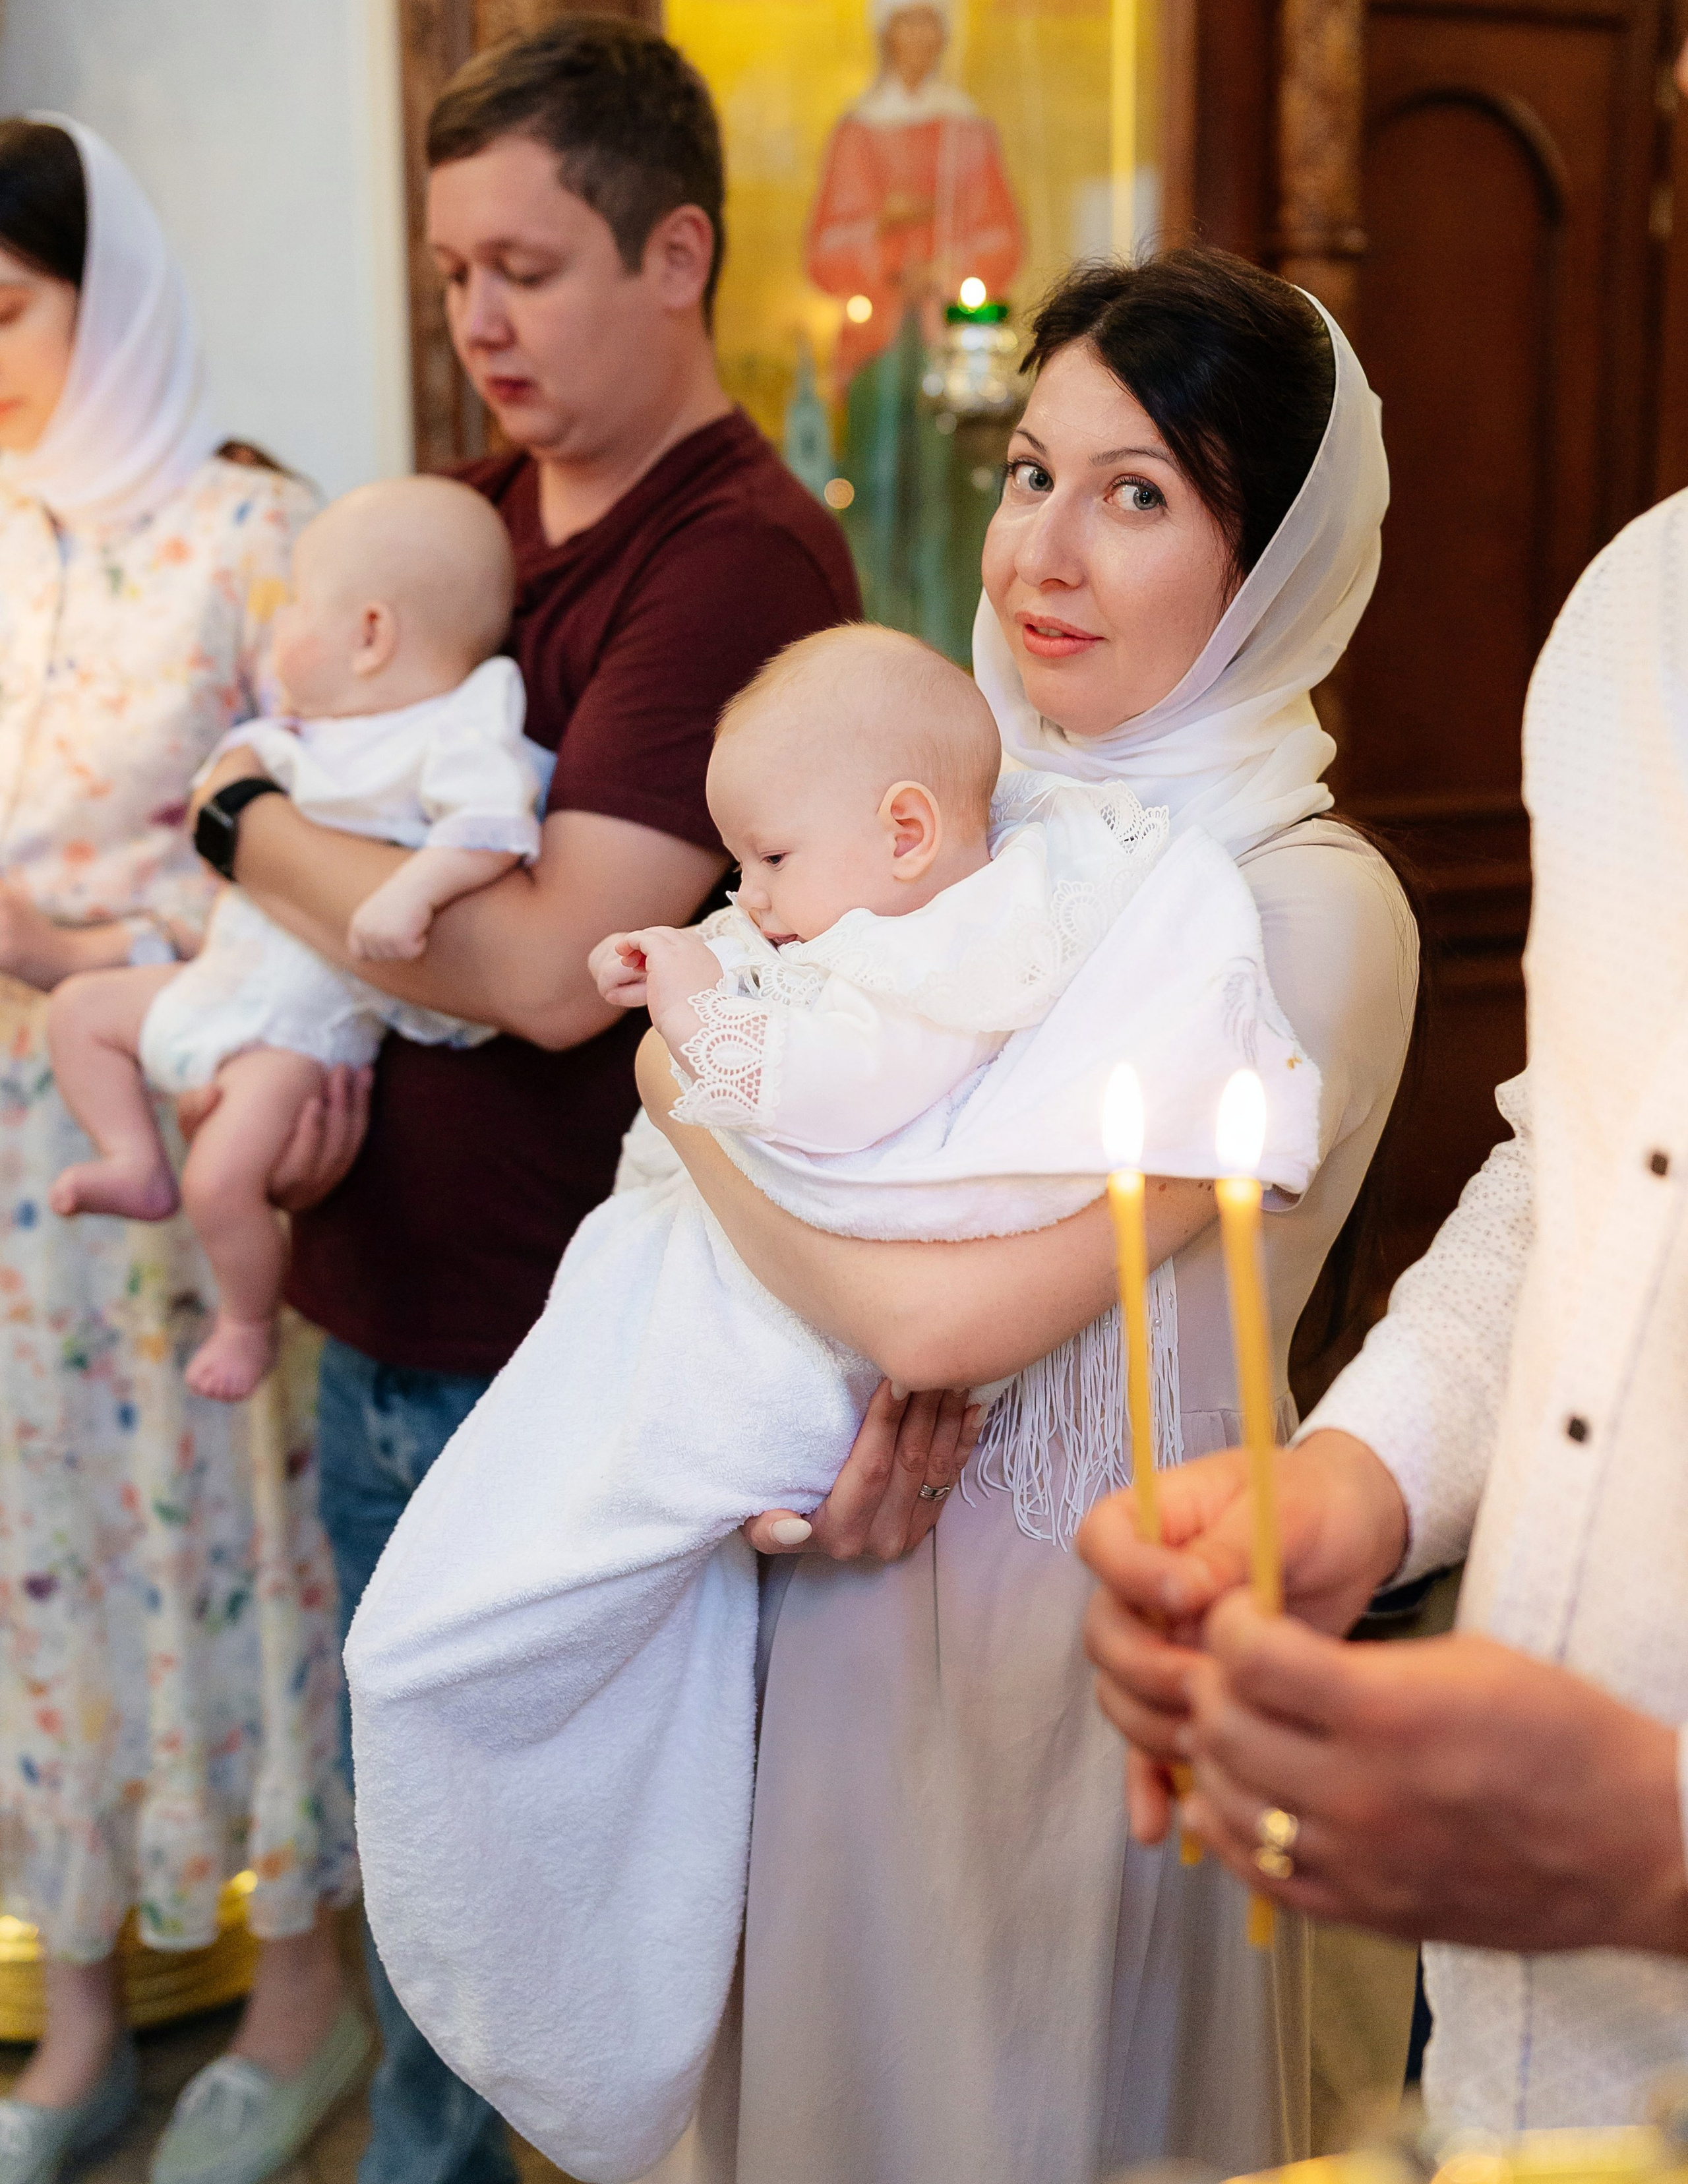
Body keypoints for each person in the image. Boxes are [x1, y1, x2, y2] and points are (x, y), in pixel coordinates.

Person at [618, 246, 1418, 2184]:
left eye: (1136, 493)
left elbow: (938, 1312)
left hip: (1093, 1637)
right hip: (837, 1588)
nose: (1042, 549)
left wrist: (682, 1088)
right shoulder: (954, 805)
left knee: (1037, 2104)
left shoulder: (1304, 906)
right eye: (1027, 472)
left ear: (1277, 558)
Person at [343, 619, 1327, 2180]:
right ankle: (561, 1961)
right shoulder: (883, 904)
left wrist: (681, 1038)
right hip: (795, 1428)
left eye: (765, 860)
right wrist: (705, 997)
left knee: (458, 1633)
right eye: (1025, 471)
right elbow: (757, 1070)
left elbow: (834, 1110)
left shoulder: (989, 932)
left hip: (980, 1512)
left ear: (905, 832)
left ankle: (563, 1982)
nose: (747, 897)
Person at [188, 15, 881, 2184]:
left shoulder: (735, 559)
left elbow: (548, 970)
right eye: (453, 273)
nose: (478, 319)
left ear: (676, 252)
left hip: (552, 1345)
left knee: (540, 1935)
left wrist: (235, 824)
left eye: (530, 265)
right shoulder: (473, 519)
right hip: (385, 1316)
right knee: (435, 1893)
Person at [1079, 473, 1688, 2133]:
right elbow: (1592, 1170)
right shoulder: (1641, 609)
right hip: (1501, 2015)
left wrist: (1655, 1843)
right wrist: (1360, 1473)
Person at [0, 117, 363, 2184]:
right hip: (3, 1165)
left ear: (103, 288)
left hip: (178, 1134)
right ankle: (66, 2017)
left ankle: (300, 1991)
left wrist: (65, 948)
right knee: (36, 1563)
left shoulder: (254, 544)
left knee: (222, 1541)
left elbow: (314, 881)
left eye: (8, 315)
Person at [47, 477, 543, 1402]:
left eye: (290, 613)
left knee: (222, 1179)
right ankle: (132, 1158)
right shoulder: (306, 732)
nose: (274, 636)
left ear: (369, 634)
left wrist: (416, 889)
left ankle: (245, 1323)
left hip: (302, 1023)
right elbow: (219, 805)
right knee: (78, 1016)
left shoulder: (454, 726)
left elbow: (494, 826)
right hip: (228, 971)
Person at [806, 0, 1023, 643]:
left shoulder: (968, 130)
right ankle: (876, 629)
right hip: (879, 344)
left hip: (949, 341)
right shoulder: (858, 132)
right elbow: (827, 246)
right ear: (885, 34)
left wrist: (946, 265)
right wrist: (890, 246)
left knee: (953, 494)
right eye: (907, 21)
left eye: (931, 21)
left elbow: (1000, 235)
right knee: (876, 482)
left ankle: (955, 637)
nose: (918, 37)